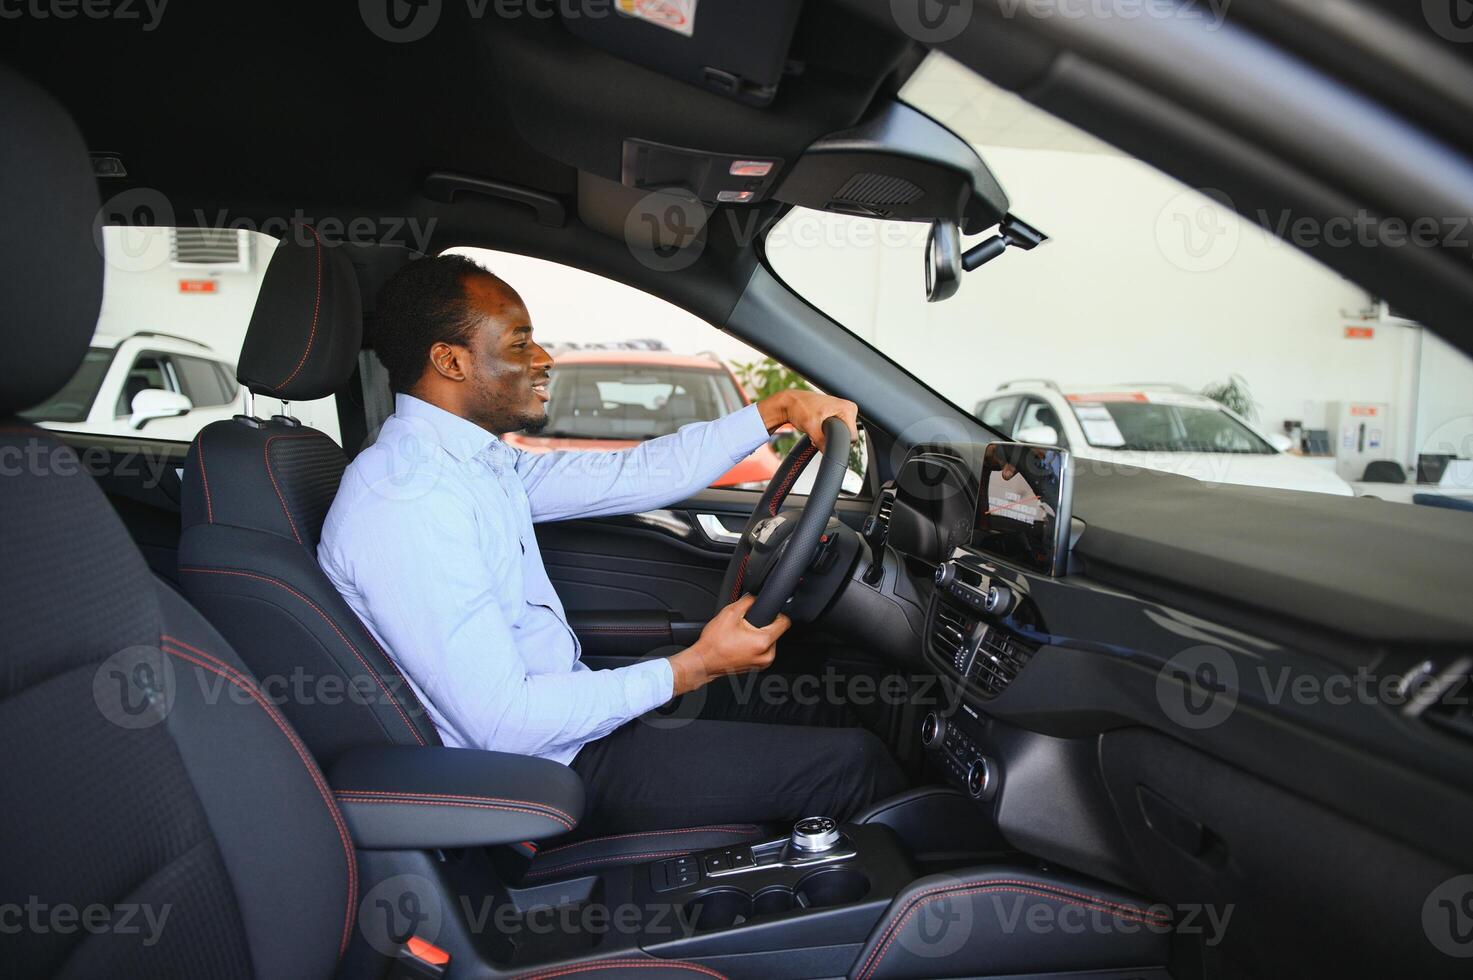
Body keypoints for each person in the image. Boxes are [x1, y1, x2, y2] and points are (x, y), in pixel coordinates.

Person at [319, 254, 906, 835]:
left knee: (814, 695)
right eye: (521, 344)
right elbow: (504, 724)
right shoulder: (409, 498)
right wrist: (694, 666)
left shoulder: (475, 466)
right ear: (450, 361)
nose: (544, 360)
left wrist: (774, 411)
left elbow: (638, 473)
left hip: (567, 721)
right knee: (853, 766)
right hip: (539, 773)